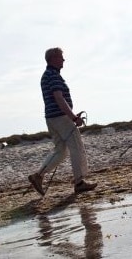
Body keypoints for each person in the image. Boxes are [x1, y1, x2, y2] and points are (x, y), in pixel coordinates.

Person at [28, 47, 97, 196]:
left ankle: (38, 175)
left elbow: (57, 99)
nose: (63, 60)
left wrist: (71, 114)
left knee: (60, 151)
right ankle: (79, 182)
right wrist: (73, 117)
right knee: (76, 147)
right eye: (61, 57)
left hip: (51, 118)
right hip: (60, 118)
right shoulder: (53, 75)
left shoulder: (46, 75)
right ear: (53, 59)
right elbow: (59, 98)